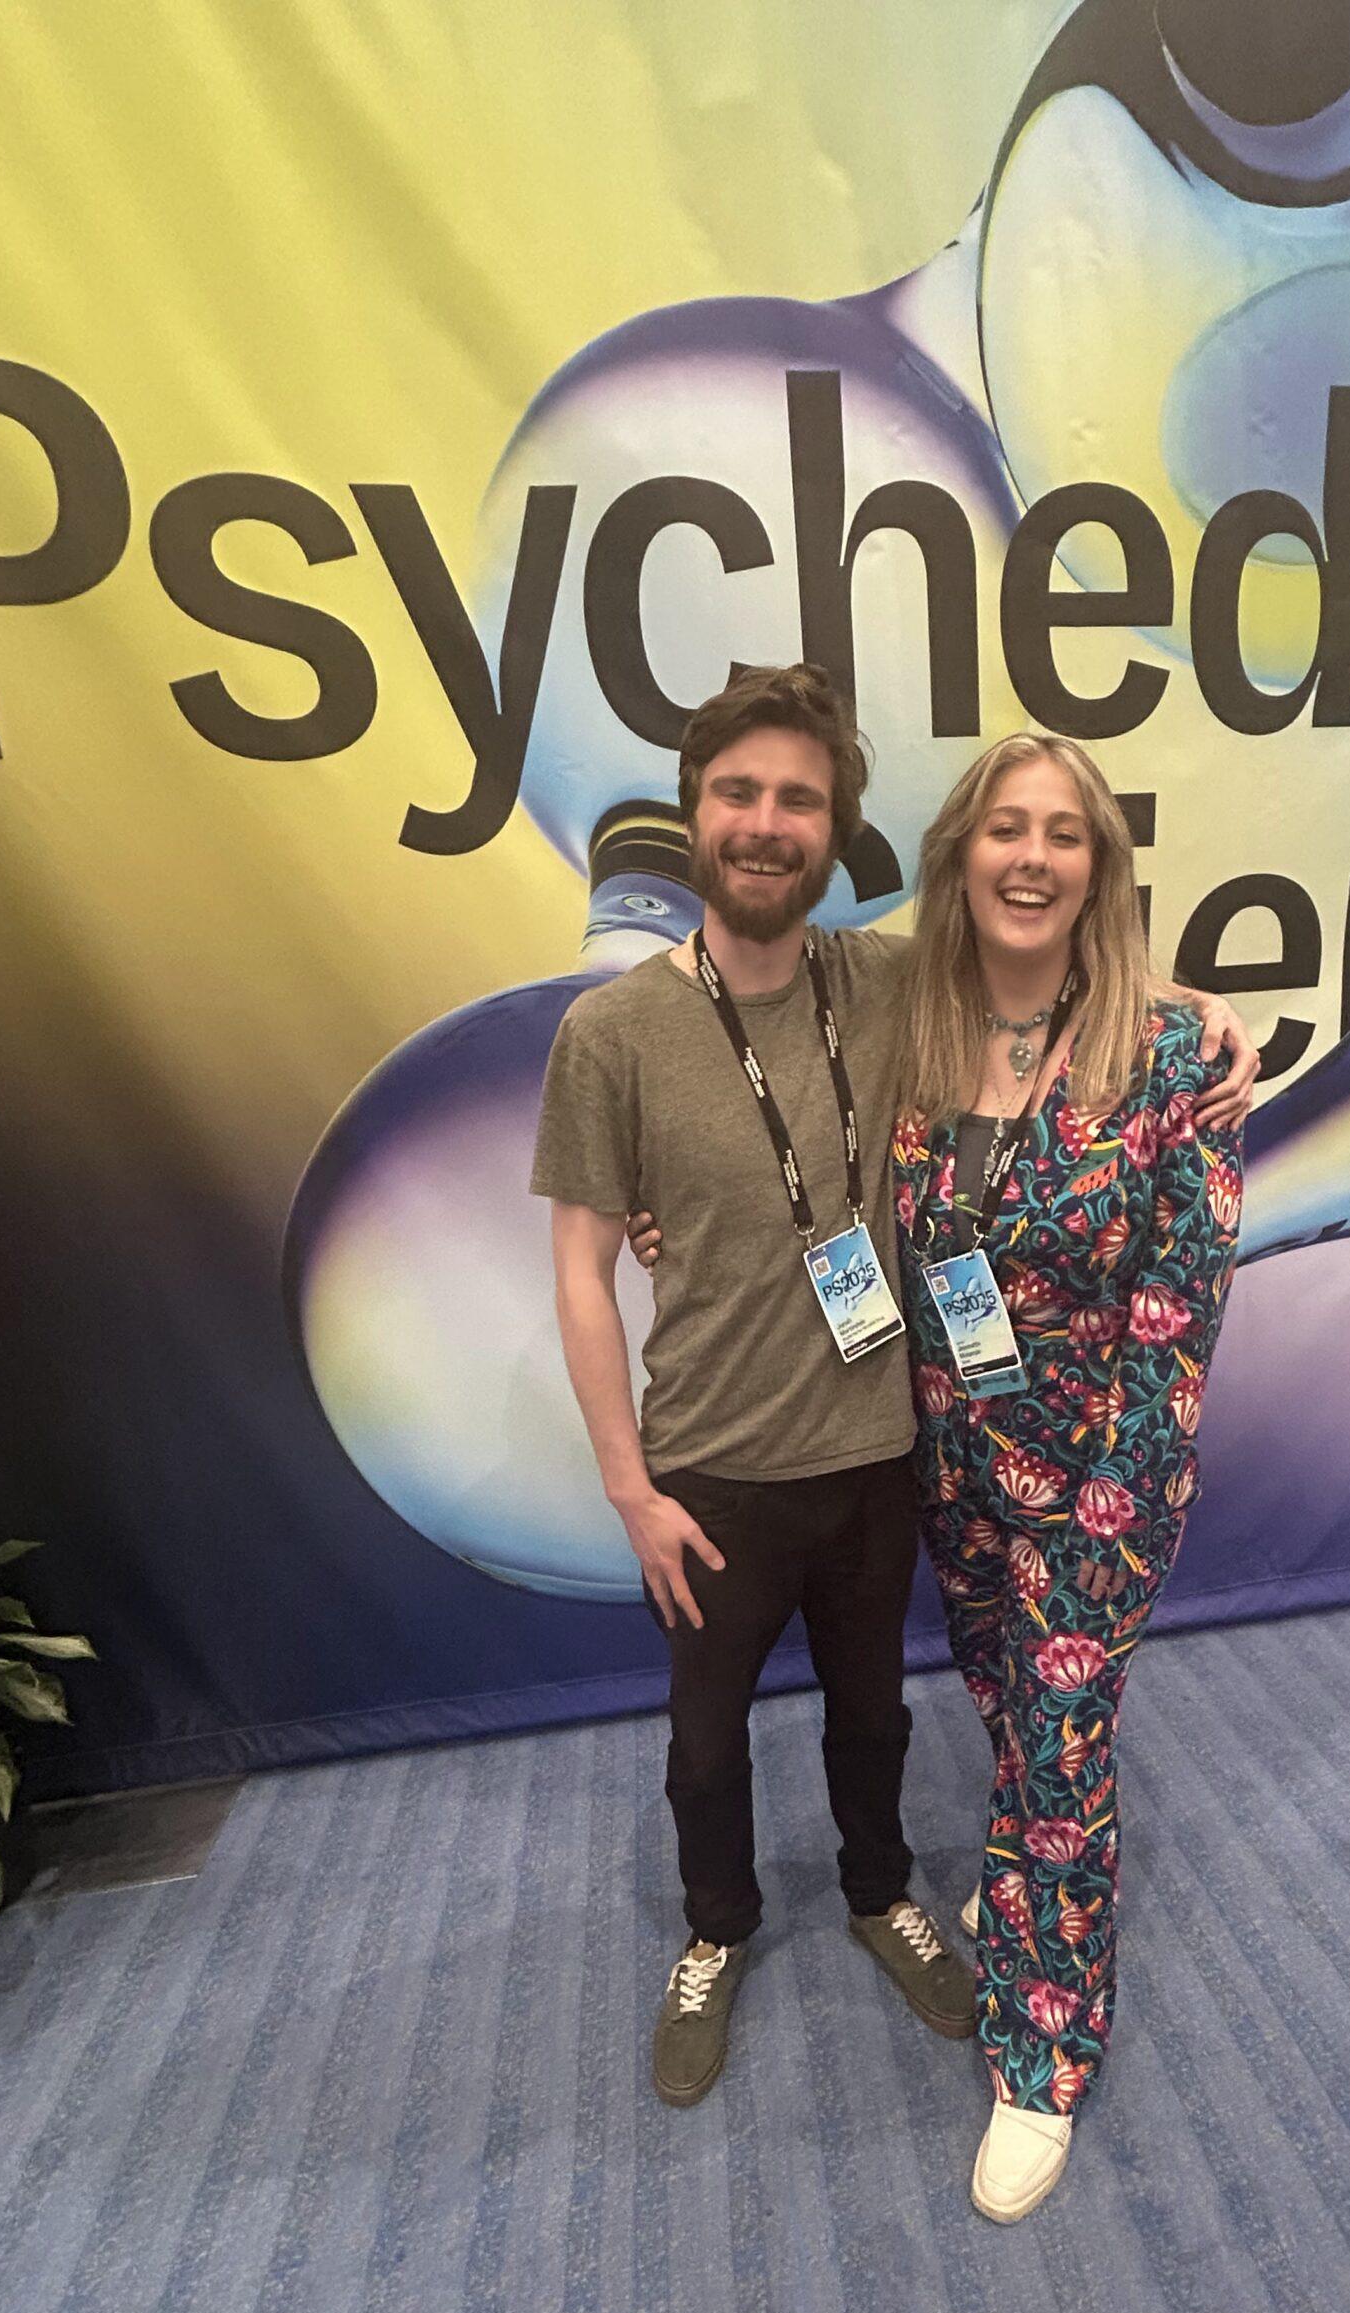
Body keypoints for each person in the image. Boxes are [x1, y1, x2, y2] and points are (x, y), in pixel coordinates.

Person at [539, 664, 1258, 2114]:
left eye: (797, 800)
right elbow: (583, 1267)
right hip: (763, 1457)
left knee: (914, 1725)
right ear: (691, 811)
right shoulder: (647, 1030)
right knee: (714, 1744)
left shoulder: (887, 988)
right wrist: (628, 1485)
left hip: (933, 1454)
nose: (765, 823)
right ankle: (717, 1930)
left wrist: (1201, 1008)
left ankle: (955, 1970)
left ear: (834, 831)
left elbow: (1066, 973)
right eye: (738, 793)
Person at [892, 733, 1243, 2221]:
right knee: (1005, 1708)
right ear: (960, 855)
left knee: (1058, 1750)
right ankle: (1024, 1879)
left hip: (1106, 1480)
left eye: (1063, 834)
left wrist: (1112, 1506)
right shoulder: (909, 1031)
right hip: (954, 1460)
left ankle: (1041, 2055)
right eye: (1003, 827)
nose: (1030, 857)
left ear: (1100, 868)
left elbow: (1181, 1311)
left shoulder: (1173, 1059)